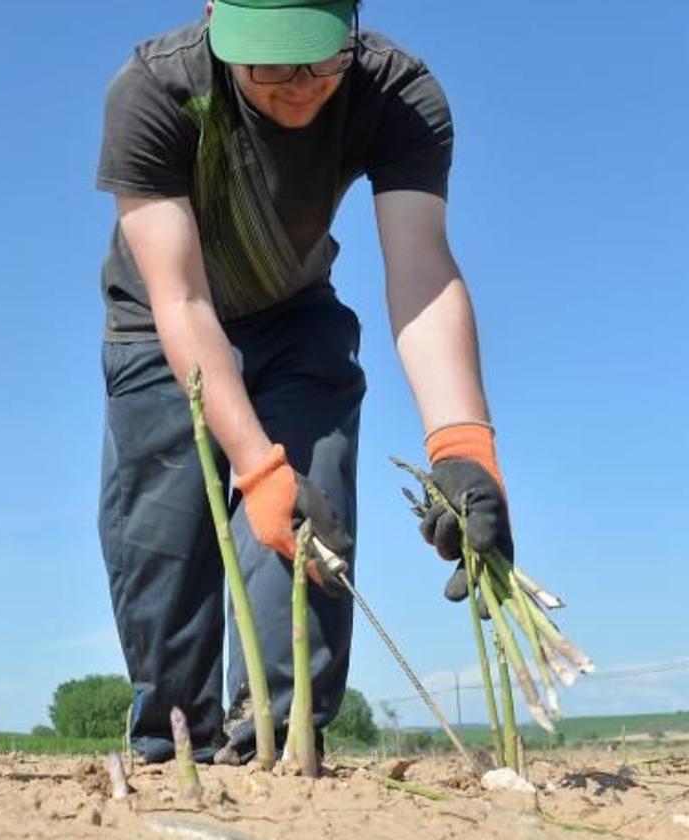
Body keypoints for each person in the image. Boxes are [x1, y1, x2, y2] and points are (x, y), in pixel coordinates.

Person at [95, 0, 513, 764]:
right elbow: (181, 300)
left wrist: (463, 445)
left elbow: (421, 272)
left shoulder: (396, 94)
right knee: (162, 557)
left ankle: (280, 741)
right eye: (271, 65)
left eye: (322, 60)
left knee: (308, 519)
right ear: (218, 22)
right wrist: (255, 466)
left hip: (295, 315)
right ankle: (171, 743)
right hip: (162, 333)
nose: (300, 87)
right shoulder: (156, 89)